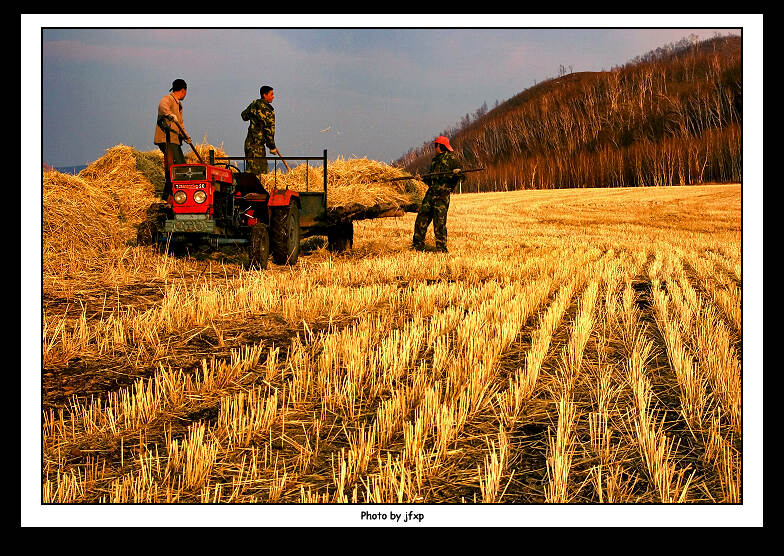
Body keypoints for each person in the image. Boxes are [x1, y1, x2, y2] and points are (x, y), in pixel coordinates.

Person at [412, 136, 463, 253]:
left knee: (439, 223)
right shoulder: (435, 160)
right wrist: (421, 179)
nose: (434, 148)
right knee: (421, 219)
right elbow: (431, 179)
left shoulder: (452, 159)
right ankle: (417, 246)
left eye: (435, 145)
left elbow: (462, 176)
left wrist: (457, 173)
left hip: (442, 196)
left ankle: (441, 249)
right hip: (430, 195)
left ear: (440, 146)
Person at [154, 79, 191, 199]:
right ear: (183, 90)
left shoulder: (179, 105)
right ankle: (169, 196)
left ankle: (169, 195)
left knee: (181, 166)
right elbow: (162, 107)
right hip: (167, 139)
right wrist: (169, 114)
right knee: (177, 167)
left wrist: (186, 137)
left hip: (175, 140)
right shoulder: (168, 99)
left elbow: (181, 124)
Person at [241, 85, 279, 178]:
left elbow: (244, 116)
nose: (273, 96)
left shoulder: (254, 104)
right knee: (260, 174)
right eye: (271, 94)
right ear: (265, 95)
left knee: (250, 171)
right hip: (258, 146)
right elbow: (269, 131)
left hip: (249, 144)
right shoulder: (268, 111)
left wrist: (254, 117)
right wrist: (272, 147)